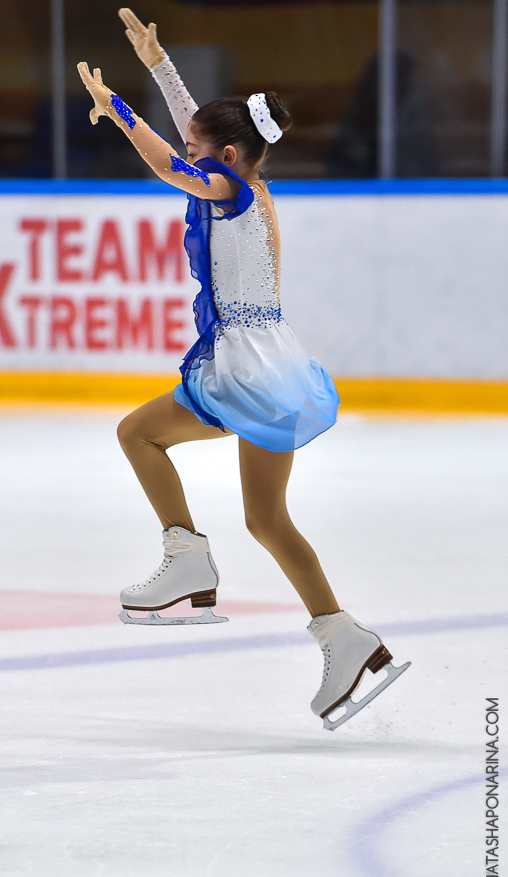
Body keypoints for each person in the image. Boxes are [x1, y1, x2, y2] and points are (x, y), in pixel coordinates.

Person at [77, 8, 410, 730]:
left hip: (246, 370)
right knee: (265, 517)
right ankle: (342, 634)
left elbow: (170, 161)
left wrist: (120, 107)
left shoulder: (226, 193)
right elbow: (195, 134)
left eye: (201, 148)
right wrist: (159, 63)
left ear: (226, 156)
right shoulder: (245, 183)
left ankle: (190, 561)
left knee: (139, 434)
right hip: (269, 366)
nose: (187, 150)